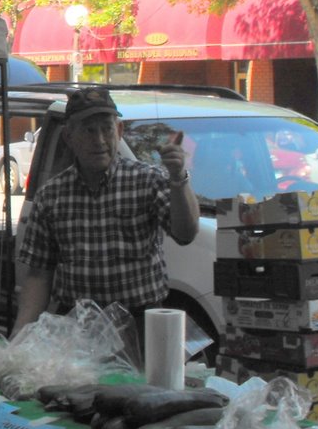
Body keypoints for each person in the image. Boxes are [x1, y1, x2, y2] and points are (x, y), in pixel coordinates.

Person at [13, 85, 198, 335]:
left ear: (118, 131)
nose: (99, 140)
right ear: (69, 137)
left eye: (106, 129)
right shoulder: (51, 196)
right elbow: (39, 276)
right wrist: (19, 334)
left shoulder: (148, 181)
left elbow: (186, 233)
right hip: (78, 329)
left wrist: (178, 178)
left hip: (140, 324)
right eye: (89, 131)